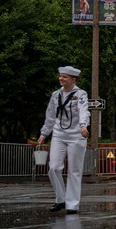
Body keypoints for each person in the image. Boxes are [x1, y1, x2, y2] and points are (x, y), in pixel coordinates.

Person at [36, 66, 90, 215]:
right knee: (53, 167)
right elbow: (50, 116)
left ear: (73, 79)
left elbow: (84, 110)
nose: (61, 79)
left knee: (74, 170)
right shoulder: (55, 95)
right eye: (60, 76)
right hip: (59, 134)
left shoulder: (80, 94)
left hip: (77, 136)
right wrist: (44, 133)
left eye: (65, 77)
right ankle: (60, 199)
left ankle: (72, 204)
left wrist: (83, 125)